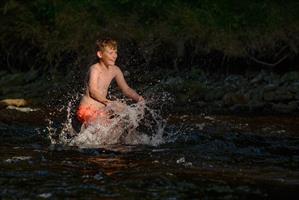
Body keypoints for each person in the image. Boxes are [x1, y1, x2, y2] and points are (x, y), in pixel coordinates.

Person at [77, 38, 144, 126]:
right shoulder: (95, 69)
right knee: (107, 129)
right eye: (111, 53)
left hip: (101, 112)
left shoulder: (115, 70)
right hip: (87, 110)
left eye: (115, 52)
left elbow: (126, 89)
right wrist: (111, 104)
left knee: (123, 128)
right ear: (100, 54)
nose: (114, 56)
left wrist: (139, 99)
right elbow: (93, 91)